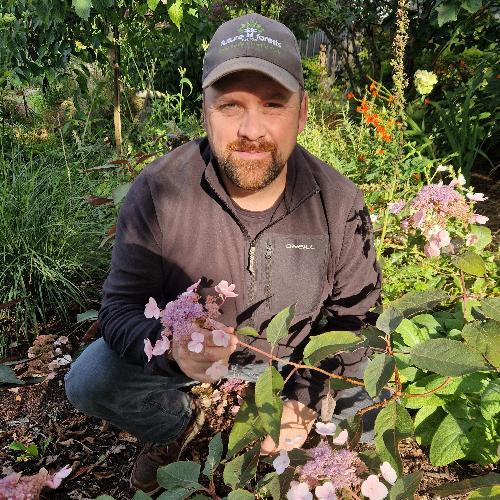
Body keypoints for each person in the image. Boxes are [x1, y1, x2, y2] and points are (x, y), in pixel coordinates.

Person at [64, 13, 381, 494]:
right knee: (92, 377)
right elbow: (120, 309)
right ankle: (175, 430)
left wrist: (303, 397)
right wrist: (172, 350)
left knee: (370, 401)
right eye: (231, 106)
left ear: (302, 112)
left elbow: (354, 316)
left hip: (295, 360)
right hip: (197, 366)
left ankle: (297, 449)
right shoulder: (159, 191)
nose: (252, 129)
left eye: (273, 105)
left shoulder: (337, 202)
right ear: (205, 111)